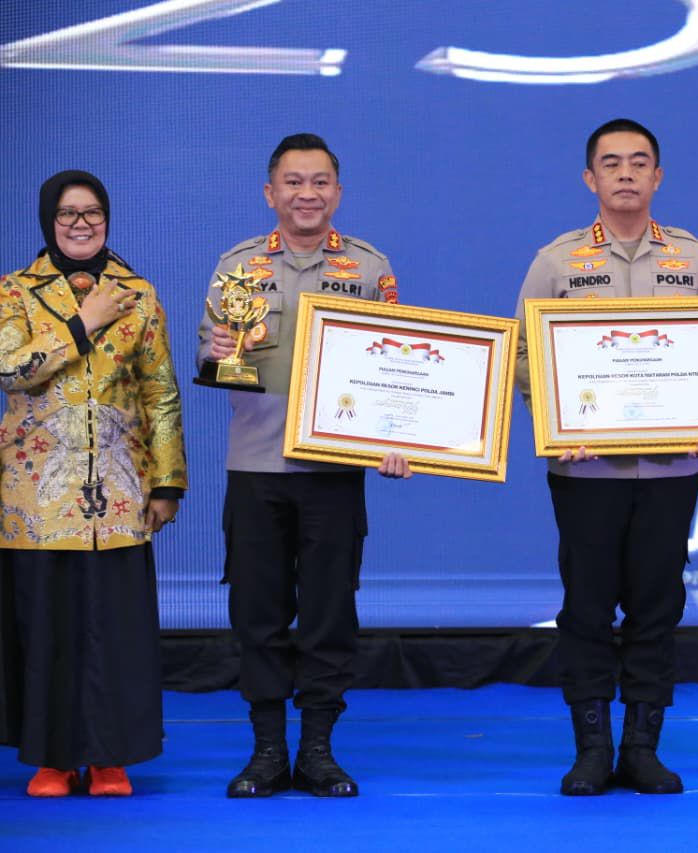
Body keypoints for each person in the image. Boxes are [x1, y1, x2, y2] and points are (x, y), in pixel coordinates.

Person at [514, 118, 698, 796]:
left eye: (639, 162)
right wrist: (556, 420)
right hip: (585, 467)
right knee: (587, 607)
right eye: (612, 163)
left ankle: (641, 748)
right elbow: (523, 353)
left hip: (671, 467)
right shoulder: (555, 262)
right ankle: (592, 749)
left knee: (657, 607)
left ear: (657, 176)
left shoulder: (696, 259)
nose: (626, 173)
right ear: (590, 178)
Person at [197, 134, 411, 800]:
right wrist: (216, 355)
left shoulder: (369, 269)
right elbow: (211, 363)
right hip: (256, 467)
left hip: (333, 472)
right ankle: (267, 750)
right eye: (293, 182)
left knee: (328, 613)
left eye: (320, 181)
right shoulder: (237, 269)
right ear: (271, 193)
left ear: (337, 192)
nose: (307, 193)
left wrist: (397, 436)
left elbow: (396, 366)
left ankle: (317, 749)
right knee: (256, 613)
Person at [0, 170, 186, 796]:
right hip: (37, 497)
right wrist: (83, 322)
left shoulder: (138, 294)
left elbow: (160, 393)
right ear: (47, 219)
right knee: (48, 628)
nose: (81, 224)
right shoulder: (15, 291)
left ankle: (110, 758)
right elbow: (9, 369)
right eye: (68, 213)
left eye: (92, 212)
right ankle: (53, 759)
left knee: (114, 630)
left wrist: (167, 483)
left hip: (120, 490)